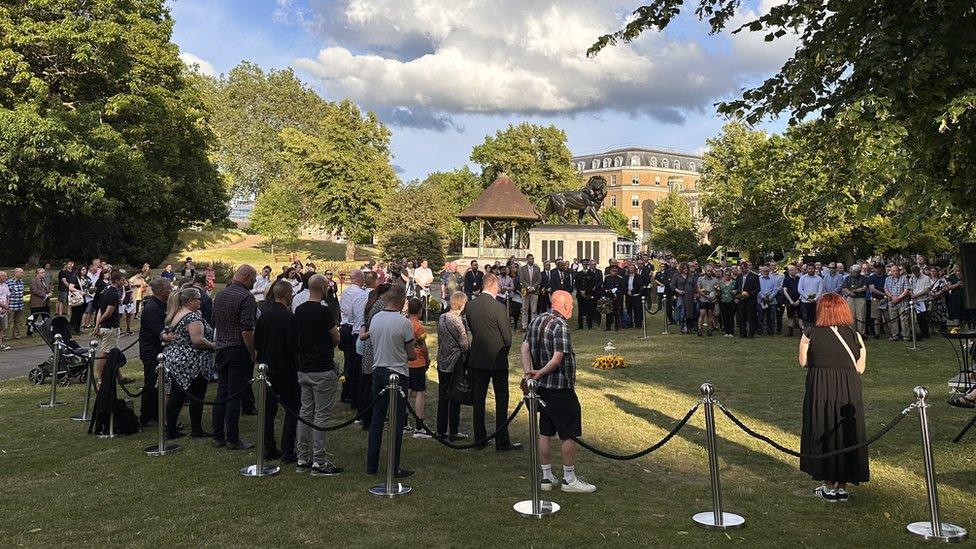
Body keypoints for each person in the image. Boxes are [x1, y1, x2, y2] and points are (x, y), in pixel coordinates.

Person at [521, 289, 596, 493]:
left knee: (545, 430)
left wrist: (529, 372)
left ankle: (546, 478)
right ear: (563, 304)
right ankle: (569, 480)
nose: (572, 308)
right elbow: (557, 358)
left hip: (540, 388)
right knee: (568, 431)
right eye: (571, 305)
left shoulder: (536, 320)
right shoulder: (560, 325)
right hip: (559, 387)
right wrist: (538, 373)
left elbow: (524, 348)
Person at [799, 293, 869, 502]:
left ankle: (828, 485)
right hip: (848, 388)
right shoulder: (855, 334)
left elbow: (803, 362)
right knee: (848, 432)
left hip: (821, 387)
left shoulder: (810, 333)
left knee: (823, 428)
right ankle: (842, 485)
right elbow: (860, 368)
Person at [365, 284, 417, 477]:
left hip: (378, 369)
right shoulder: (404, 323)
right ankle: (393, 466)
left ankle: (372, 465)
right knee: (396, 421)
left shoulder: (376, 318)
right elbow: (411, 355)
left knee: (377, 419)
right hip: (397, 373)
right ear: (402, 301)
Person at [292, 275, 343, 474]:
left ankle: (302, 456)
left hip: (304, 367)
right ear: (323, 288)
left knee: (305, 412)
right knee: (321, 415)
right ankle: (319, 459)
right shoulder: (323, 311)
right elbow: (335, 336)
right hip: (322, 367)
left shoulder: (300, 310)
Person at [466, 273, 521, 451]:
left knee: (479, 399)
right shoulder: (498, 307)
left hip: (478, 357)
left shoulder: (471, 305)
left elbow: (473, 328)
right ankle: (502, 440)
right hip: (497, 358)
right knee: (501, 399)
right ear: (493, 285)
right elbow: (507, 336)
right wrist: (504, 351)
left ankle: (479, 439)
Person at [211, 264, 258, 450]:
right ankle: (232, 437)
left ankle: (217, 435)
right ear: (246, 276)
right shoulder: (247, 297)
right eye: (253, 278)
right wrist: (252, 351)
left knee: (222, 392)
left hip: (222, 349)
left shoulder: (220, 295)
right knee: (235, 395)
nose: (255, 281)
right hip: (238, 350)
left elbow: (215, 322)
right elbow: (247, 329)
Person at [255, 280, 301, 464]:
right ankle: (288, 449)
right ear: (287, 295)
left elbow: (257, 340)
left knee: (268, 410)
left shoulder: (264, 314)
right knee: (292, 408)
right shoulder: (288, 317)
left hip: (267, 367)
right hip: (285, 369)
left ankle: (269, 446)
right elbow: (293, 346)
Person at [163, 287, 216, 439]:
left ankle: (171, 428)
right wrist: (213, 345)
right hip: (192, 364)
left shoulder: (176, 313)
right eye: (198, 299)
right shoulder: (192, 317)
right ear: (190, 301)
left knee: (176, 396)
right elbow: (197, 340)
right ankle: (196, 429)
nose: (201, 301)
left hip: (176, 360)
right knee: (196, 396)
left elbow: (165, 332)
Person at [436, 292, 470, 441]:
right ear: (462, 304)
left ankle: (440, 430)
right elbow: (464, 343)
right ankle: (453, 431)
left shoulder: (442, 317)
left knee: (443, 395)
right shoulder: (457, 321)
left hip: (442, 358)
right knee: (455, 396)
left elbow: (439, 339)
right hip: (455, 361)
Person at [138, 278, 171, 426]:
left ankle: (157, 412)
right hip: (151, 351)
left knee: (157, 383)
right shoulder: (152, 308)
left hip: (156, 350)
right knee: (151, 383)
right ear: (161, 291)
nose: (170, 291)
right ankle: (148, 415)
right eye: (168, 289)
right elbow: (160, 332)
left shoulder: (159, 305)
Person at [338, 269, 368, 409]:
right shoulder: (360, 294)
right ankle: (353, 394)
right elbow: (354, 315)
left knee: (348, 362)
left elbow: (345, 311)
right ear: (359, 278)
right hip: (353, 328)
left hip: (345, 327)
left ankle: (346, 392)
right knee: (355, 363)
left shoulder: (346, 292)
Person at [92, 271, 125, 386]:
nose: (124, 282)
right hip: (110, 327)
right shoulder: (113, 294)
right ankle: (100, 378)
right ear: (116, 281)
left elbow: (100, 310)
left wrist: (97, 324)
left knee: (113, 352)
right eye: (122, 280)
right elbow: (108, 312)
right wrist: (98, 323)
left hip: (106, 327)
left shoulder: (106, 291)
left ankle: (119, 377)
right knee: (104, 353)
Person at [405, 298, 432, 439]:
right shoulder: (418, 327)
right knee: (420, 393)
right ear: (420, 311)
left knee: (407, 392)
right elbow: (424, 348)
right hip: (417, 362)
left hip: (406, 363)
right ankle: (419, 426)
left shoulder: (405, 323)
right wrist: (427, 360)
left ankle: (403, 422)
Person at [884, 265, 911, 341]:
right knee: (893, 319)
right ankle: (895, 335)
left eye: (897, 271)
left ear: (899, 271)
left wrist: (898, 298)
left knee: (904, 319)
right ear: (891, 272)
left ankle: (906, 336)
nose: (895, 273)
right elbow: (886, 289)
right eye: (893, 271)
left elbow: (906, 290)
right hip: (892, 302)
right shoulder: (887, 279)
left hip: (903, 302)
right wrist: (892, 297)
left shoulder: (904, 279)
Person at [733, 261, 760, 338]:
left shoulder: (754, 276)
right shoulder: (739, 276)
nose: (742, 270)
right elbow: (736, 287)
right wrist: (736, 294)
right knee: (741, 317)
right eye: (740, 268)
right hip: (741, 300)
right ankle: (742, 333)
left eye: (743, 268)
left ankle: (751, 333)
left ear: (747, 268)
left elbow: (757, 289)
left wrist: (749, 294)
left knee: (751, 317)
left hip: (750, 300)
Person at [517, 254, 542, 329]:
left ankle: (533, 325)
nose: (532, 260)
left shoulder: (537, 268)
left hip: (534, 291)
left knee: (534, 310)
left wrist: (533, 287)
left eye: (533, 259)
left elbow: (539, 279)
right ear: (527, 259)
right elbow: (521, 279)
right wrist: (528, 287)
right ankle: (524, 326)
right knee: (525, 309)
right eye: (531, 259)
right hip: (525, 291)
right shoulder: (522, 269)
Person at [671, 263, 696, 334]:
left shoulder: (691, 276)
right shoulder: (677, 276)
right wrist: (678, 291)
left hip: (690, 297)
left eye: (687, 268)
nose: (686, 270)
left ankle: (689, 328)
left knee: (689, 313)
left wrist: (695, 294)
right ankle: (682, 328)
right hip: (681, 297)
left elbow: (695, 286)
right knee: (681, 312)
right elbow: (672, 286)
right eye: (684, 268)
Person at [842, 264, 868, 334]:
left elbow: (865, 287)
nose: (854, 273)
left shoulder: (863, 278)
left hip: (860, 298)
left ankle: (861, 333)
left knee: (861, 316)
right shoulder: (848, 278)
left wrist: (856, 291)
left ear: (859, 271)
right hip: (850, 298)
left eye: (856, 272)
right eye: (853, 271)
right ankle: (852, 332)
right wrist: (849, 293)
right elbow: (844, 287)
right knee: (851, 316)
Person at [576, 259, 601, 330]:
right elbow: (577, 284)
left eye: (587, 264)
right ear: (582, 264)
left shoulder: (592, 274)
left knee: (589, 310)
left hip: (588, 294)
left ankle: (590, 325)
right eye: (584, 264)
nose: (585, 265)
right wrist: (581, 291)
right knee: (580, 310)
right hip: (580, 294)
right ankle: (580, 326)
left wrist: (586, 292)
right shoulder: (579, 273)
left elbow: (591, 284)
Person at [798, 264, 823, 329]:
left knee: (814, 317)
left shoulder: (819, 279)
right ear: (807, 269)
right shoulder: (802, 278)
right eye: (809, 268)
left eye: (812, 268)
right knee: (805, 317)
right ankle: (806, 333)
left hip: (815, 302)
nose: (811, 270)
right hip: (805, 301)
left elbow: (820, 291)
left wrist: (815, 299)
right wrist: (807, 298)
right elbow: (800, 289)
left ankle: (814, 332)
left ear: (814, 269)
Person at [27, 267, 52, 335]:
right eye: (42, 273)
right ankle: (30, 332)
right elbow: (34, 291)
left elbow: (48, 289)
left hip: (46, 303)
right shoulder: (33, 280)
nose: (44, 274)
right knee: (34, 318)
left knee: (47, 318)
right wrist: (45, 295)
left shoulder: (44, 280)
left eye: (44, 272)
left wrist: (50, 293)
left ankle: (46, 331)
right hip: (36, 303)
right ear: (37, 273)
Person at [757, 265, 778, 336]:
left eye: (767, 271)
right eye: (764, 271)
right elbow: (757, 289)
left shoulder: (773, 279)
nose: (766, 272)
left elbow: (775, 290)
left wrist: (770, 298)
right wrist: (763, 297)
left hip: (771, 301)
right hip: (761, 301)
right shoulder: (758, 279)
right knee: (760, 317)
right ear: (762, 271)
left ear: (769, 271)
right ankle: (760, 331)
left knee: (770, 317)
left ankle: (770, 331)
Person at [602, 265, 624, 331]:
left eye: (616, 271)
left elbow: (621, 288)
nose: (614, 272)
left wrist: (615, 290)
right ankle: (608, 327)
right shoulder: (607, 278)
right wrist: (606, 293)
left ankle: (617, 327)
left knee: (617, 312)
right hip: (609, 297)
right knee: (608, 312)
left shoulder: (620, 278)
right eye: (613, 271)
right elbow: (604, 287)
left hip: (616, 297)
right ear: (610, 271)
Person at [624, 264, 646, 329]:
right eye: (630, 268)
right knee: (629, 310)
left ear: (635, 269)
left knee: (637, 310)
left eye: (632, 268)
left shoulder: (638, 277)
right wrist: (627, 292)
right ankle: (629, 323)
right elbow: (624, 285)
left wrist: (632, 292)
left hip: (636, 295)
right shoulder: (626, 277)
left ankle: (638, 324)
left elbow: (638, 285)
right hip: (628, 295)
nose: (631, 269)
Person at [717, 269, 736, 337]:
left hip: (731, 302)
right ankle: (726, 331)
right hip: (723, 301)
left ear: (731, 276)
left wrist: (735, 292)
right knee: (724, 317)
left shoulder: (734, 282)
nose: (727, 276)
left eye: (729, 275)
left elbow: (737, 290)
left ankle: (731, 332)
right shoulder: (720, 283)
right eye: (726, 275)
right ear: (724, 275)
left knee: (731, 317)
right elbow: (718, 293)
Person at [8, 268, 25, 339]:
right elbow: (8, 293)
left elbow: (21, 292)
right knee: (9, 321)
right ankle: (4, 336)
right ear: (16, 273)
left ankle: (16, 335)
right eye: (21, 273)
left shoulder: (21, 282)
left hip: (19, 305)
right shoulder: (9, 282)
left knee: (18, 321)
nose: (22, 274)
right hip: (11, 305)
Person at [0, 271, 10, 351]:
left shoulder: (5, 285)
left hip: (4, 309)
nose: (6, 278)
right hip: (1, 307)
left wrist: (6, 306)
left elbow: (7, 296)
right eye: (4, 276)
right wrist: (4, 306)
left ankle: (1, 344)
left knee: (2, 328)